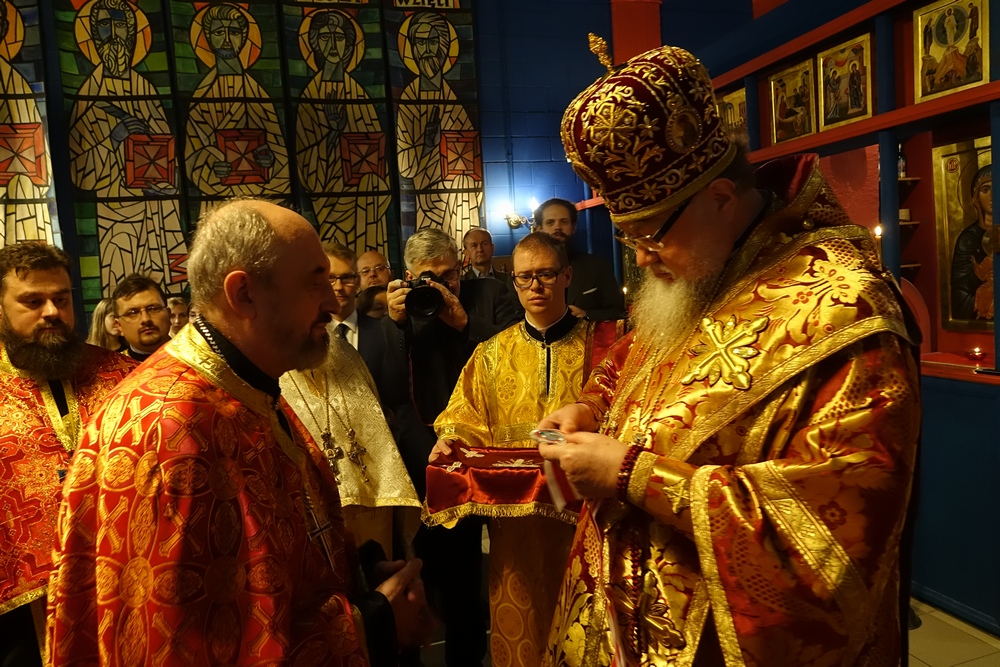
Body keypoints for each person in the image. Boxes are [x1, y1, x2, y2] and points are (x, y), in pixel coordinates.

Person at [538, 44, 920, 666]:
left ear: (719, 196)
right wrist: (589, 407)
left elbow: (834, 538)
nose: (638, 257)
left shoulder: (845, 309)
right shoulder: (697, 274)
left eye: (649, 233)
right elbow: (639, 362)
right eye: (626, 235)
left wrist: (634, 475)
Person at [47, 198, 433, 666]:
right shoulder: (172, 430)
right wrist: (373, 622)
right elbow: (190, 647)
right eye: (315, 283)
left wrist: (362, 575)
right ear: (244, 294)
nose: (333, 304)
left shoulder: (248, 383)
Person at [426, 232, 625, 667]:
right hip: (516, 532)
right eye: (524, 277)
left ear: (566, 275)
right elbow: (465, 418)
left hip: (589, 522)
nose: (535, 286)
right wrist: (451, 440)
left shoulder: (611, 344)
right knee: (522, 636)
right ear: (512, 281)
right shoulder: (490, 353)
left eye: (546, 274)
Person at [385, 228, 521, 666]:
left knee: (494, 571)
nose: (442, 286)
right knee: (443, 574)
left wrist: (463, 321)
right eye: (431, 277)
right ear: (410, 277)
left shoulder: (491, 294)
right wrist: (396, 324)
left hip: (489, 452)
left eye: (451, 274)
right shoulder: (399, 311)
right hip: (432, 458)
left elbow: (514, 352)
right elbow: (390, 388)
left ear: (461, 266)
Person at [0, 242, 135, 667]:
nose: (52, 312)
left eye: (61, 298)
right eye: (32, 301)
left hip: (127, 582)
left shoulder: (122, 376)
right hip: (22, 614)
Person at [68, 0, 188, 293]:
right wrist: (114, 139)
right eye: (105, 25)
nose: (113, 34)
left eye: (120, 25)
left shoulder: (145, 88)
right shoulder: (89, 93)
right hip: (116, 219)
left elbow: (167, 151)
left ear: (132, 34)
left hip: (155, 215)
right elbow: (80, 172)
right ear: (94, 36)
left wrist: (165, 183)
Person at [298, 9, 391, 249]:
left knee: (371, 183)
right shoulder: (310, 95)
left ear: (349, 45)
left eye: (338, 38)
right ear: (315, 44)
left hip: (365, 194)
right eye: (325, 37)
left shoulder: (359, 94)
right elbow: (305, 159)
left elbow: (376, 148)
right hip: (331, 199)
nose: (332, 44)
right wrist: (332, 134)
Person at [186, 3, 290, 216]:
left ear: (244, 37)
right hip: (218, 203)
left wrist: (269, 160)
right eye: (218, 32)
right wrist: (212, 166)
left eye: (233, 32)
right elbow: (191, 154)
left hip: (259, 200)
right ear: (207, 38)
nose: (226, 39)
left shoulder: (258, 95)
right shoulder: (202, 96)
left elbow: (280, 150)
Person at [395, 12, 483, 243]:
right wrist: (426, 145)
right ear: (412, 49)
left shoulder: (451, 99)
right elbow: (405, 166)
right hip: (427, 199)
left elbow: (469, 151)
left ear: (444, 47)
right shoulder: (409, 99)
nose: (427, 50)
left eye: (433, 42)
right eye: (420, 43)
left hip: (458, 200)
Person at [534, 198, 626, 321]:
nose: (557, 227)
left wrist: (586, 314)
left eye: (564, 222)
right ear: (539, 229)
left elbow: (618, 312)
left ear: (573, 227)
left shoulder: (597, 266)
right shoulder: (526, 273)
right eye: (550, 222)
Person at [951, 163, 993, 320]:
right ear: (975, 198)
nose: (993, 196)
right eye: (985, 190)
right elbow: (959, 292)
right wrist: (981, 272)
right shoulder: (968, 239)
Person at [111, 273, 171, 361]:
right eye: (133, 313)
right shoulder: (113, 370)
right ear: (119, 325)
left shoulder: (194, 358)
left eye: (153, 309)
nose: (145, 319)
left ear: (169, 314)